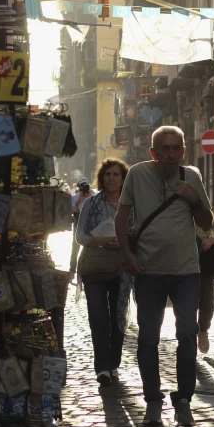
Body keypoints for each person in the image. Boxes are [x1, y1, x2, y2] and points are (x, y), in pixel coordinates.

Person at [114, 125, 213, 427]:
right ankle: (153, 400)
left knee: (186, 335)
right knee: (147, 338)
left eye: (176, 148)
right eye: (165, 149)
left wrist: (194, 199)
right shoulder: (137, 175)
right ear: (154, 153)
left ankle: (183, 399)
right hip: (149, 271)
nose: (171, 155)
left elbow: (207, 223)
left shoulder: (191, 177)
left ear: (184, 150)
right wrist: (128, 256)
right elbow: (121, 218)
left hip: (186, 270)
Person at [75, 159, 130, 387]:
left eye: (116, 175)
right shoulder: (91, 204)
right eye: (107, 174)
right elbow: (80, 236)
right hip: (95, 266)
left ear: (123, 178)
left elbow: (140, 232)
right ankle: (102, 368)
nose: (111, 179)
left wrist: (125, 242)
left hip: (122, 269)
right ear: (101, 177)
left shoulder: (131, 205)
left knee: (118, 316)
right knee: (98, 316)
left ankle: (113, 362)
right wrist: (100, 241)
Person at [196, 219, 214, 354]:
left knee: (207, 302)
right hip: (183, 261)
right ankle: (188, 337)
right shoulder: (178, 207)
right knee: (185, 302)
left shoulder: (207, 210)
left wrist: (212, 240)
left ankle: (203, 330)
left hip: (205, 261)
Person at [70, 177, 95, 281]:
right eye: (82, 187)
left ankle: (89, 267)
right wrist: (79, 200)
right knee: (75, 247)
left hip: (90, 224)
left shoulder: (93, 196)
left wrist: (90, 197)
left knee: (89, 246)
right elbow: (71, 210)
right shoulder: (75, 197)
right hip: (77, 222)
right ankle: (72, 269)